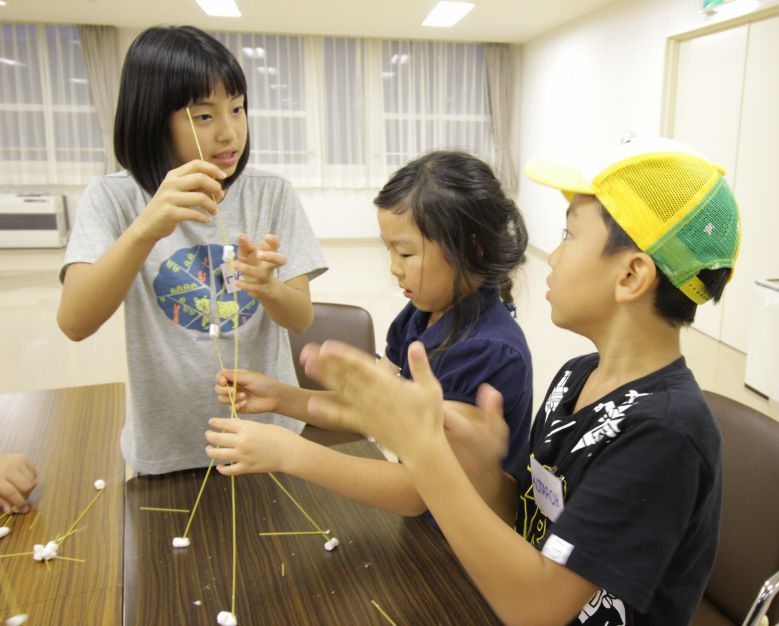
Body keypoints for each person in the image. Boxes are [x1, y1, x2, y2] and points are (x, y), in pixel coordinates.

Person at [299, 136, 741, 626]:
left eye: (569, 237)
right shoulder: (576, 378)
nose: (550, 257)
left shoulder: (663, 434)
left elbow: (538, 607)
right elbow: (531, 518)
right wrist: (481, 473)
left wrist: (425, 453)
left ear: (631, 276)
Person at [57, 26, 327, 475]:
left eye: (237, 109)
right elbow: (75, 323)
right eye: (203, 116)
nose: (229, 132)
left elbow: (299, 318)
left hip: (267, 438)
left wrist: (267, 288)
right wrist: (147, 226)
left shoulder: (271, 194)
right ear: (152, 119)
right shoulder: (114, 199)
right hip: (168, 448)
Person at [204, 151, 533, 517]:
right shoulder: (420, 315)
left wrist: (290, 453)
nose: (394, 268)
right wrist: (281, 397)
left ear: (472, 248)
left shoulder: (487, 350)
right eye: (389, 249)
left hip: (468, 551)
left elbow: (420, 492)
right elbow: (371, 410)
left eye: (406, 253)